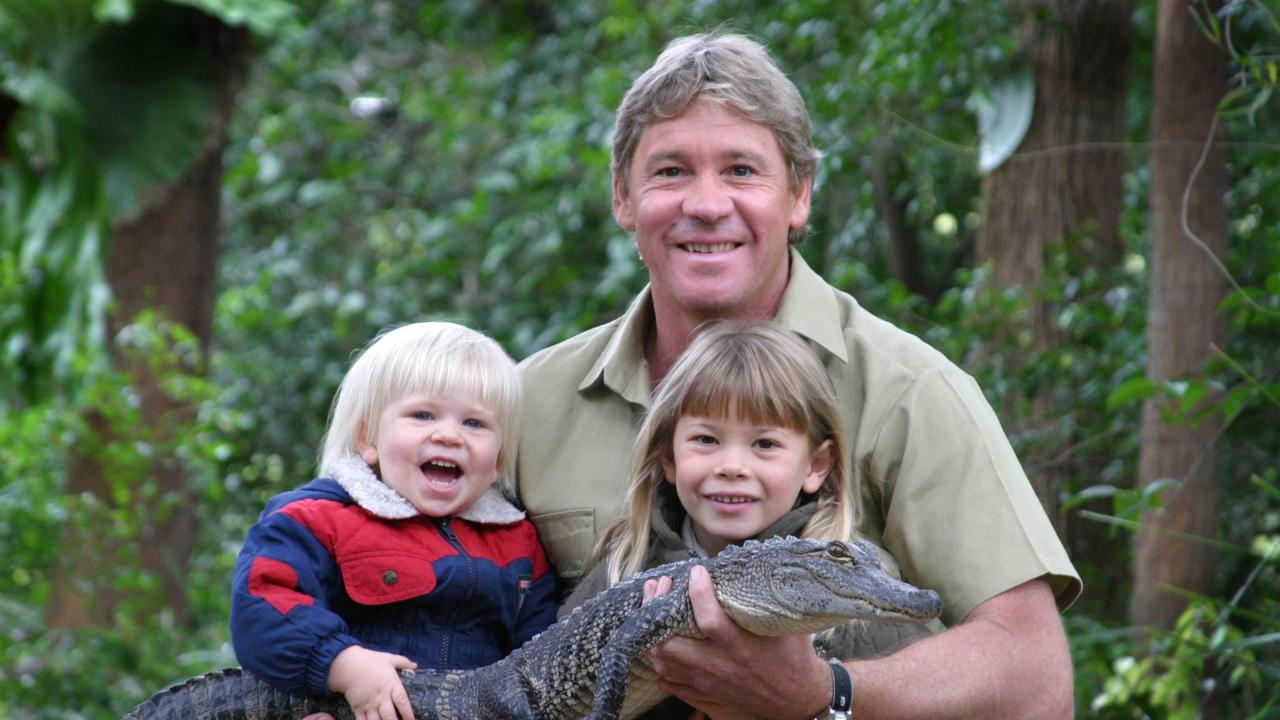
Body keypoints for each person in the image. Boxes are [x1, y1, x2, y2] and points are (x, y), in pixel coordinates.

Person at [517, 32, 1082, 718]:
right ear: (623, 197)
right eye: (670, 172)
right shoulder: (525, 403)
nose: (705, 203)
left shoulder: (909, 391)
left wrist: (830, 694)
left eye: (741, 171)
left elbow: (1036, 679)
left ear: (799, 195)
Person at [559, 320, 933, 719]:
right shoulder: (623, 567)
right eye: (707, 439)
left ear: (817, 464)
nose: (732, 466)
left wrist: (825, 696)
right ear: (668, 457)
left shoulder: (854, 586)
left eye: (765, 444)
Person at [231, 321, 558, 720]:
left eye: (474, 423)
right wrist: (344, 664)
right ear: (368, 439)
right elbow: (263, 605)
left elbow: (543, 647)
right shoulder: (317, 519)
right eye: (423, 415)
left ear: (499, 461)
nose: (449, 435)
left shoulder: (518, 542)